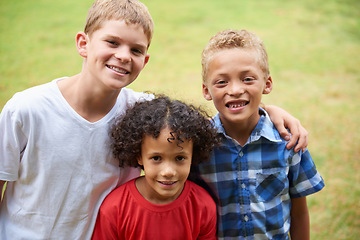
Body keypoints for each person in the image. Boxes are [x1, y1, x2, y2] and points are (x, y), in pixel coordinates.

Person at [0, 0, 308, 238]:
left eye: (135, 49)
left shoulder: (141, 111)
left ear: (144, 60)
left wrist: (271, 112)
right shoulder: (26, 110)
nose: (123, 56)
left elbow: (199, 119)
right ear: (83, 43)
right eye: (112, 42)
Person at [198, 29, 325, 240]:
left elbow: (299, 211)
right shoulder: (198, 147)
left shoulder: (288, 141)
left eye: (247, 79)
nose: (236, 89)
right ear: (206, 91)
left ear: (267, 84)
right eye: (222, 82)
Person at [92, 95, 220, 239]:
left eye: (179, 158)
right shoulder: (115, 208)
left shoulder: (202, 205)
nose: (168, 172)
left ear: (193, 155)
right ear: (139, 156)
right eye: (156, 158)